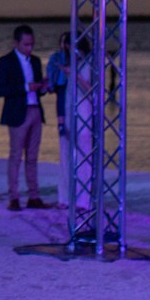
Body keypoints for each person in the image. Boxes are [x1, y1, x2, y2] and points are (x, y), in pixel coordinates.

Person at [0, 24, 48, 212]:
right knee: (16, 155)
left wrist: (42, 87)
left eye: (32, 44)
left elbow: (38, 89)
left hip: (35, 110)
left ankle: (34, 196)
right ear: (16, 43)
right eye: (26, 44)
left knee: (32, 156)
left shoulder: (35, 61)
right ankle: (14, 197)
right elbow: (0, 90)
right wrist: (26, 87)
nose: (29, 48)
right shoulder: (5, 61)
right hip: (18, 112)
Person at [46, 31, 94, 212]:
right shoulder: (68, 64)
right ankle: (65, 198)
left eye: (70, 47)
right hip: (68, 114)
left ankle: (83, 200)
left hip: (84, 115)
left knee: (83, 159)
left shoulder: (90, 63)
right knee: (66, 157)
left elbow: (93, 91)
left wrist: (75, 74)